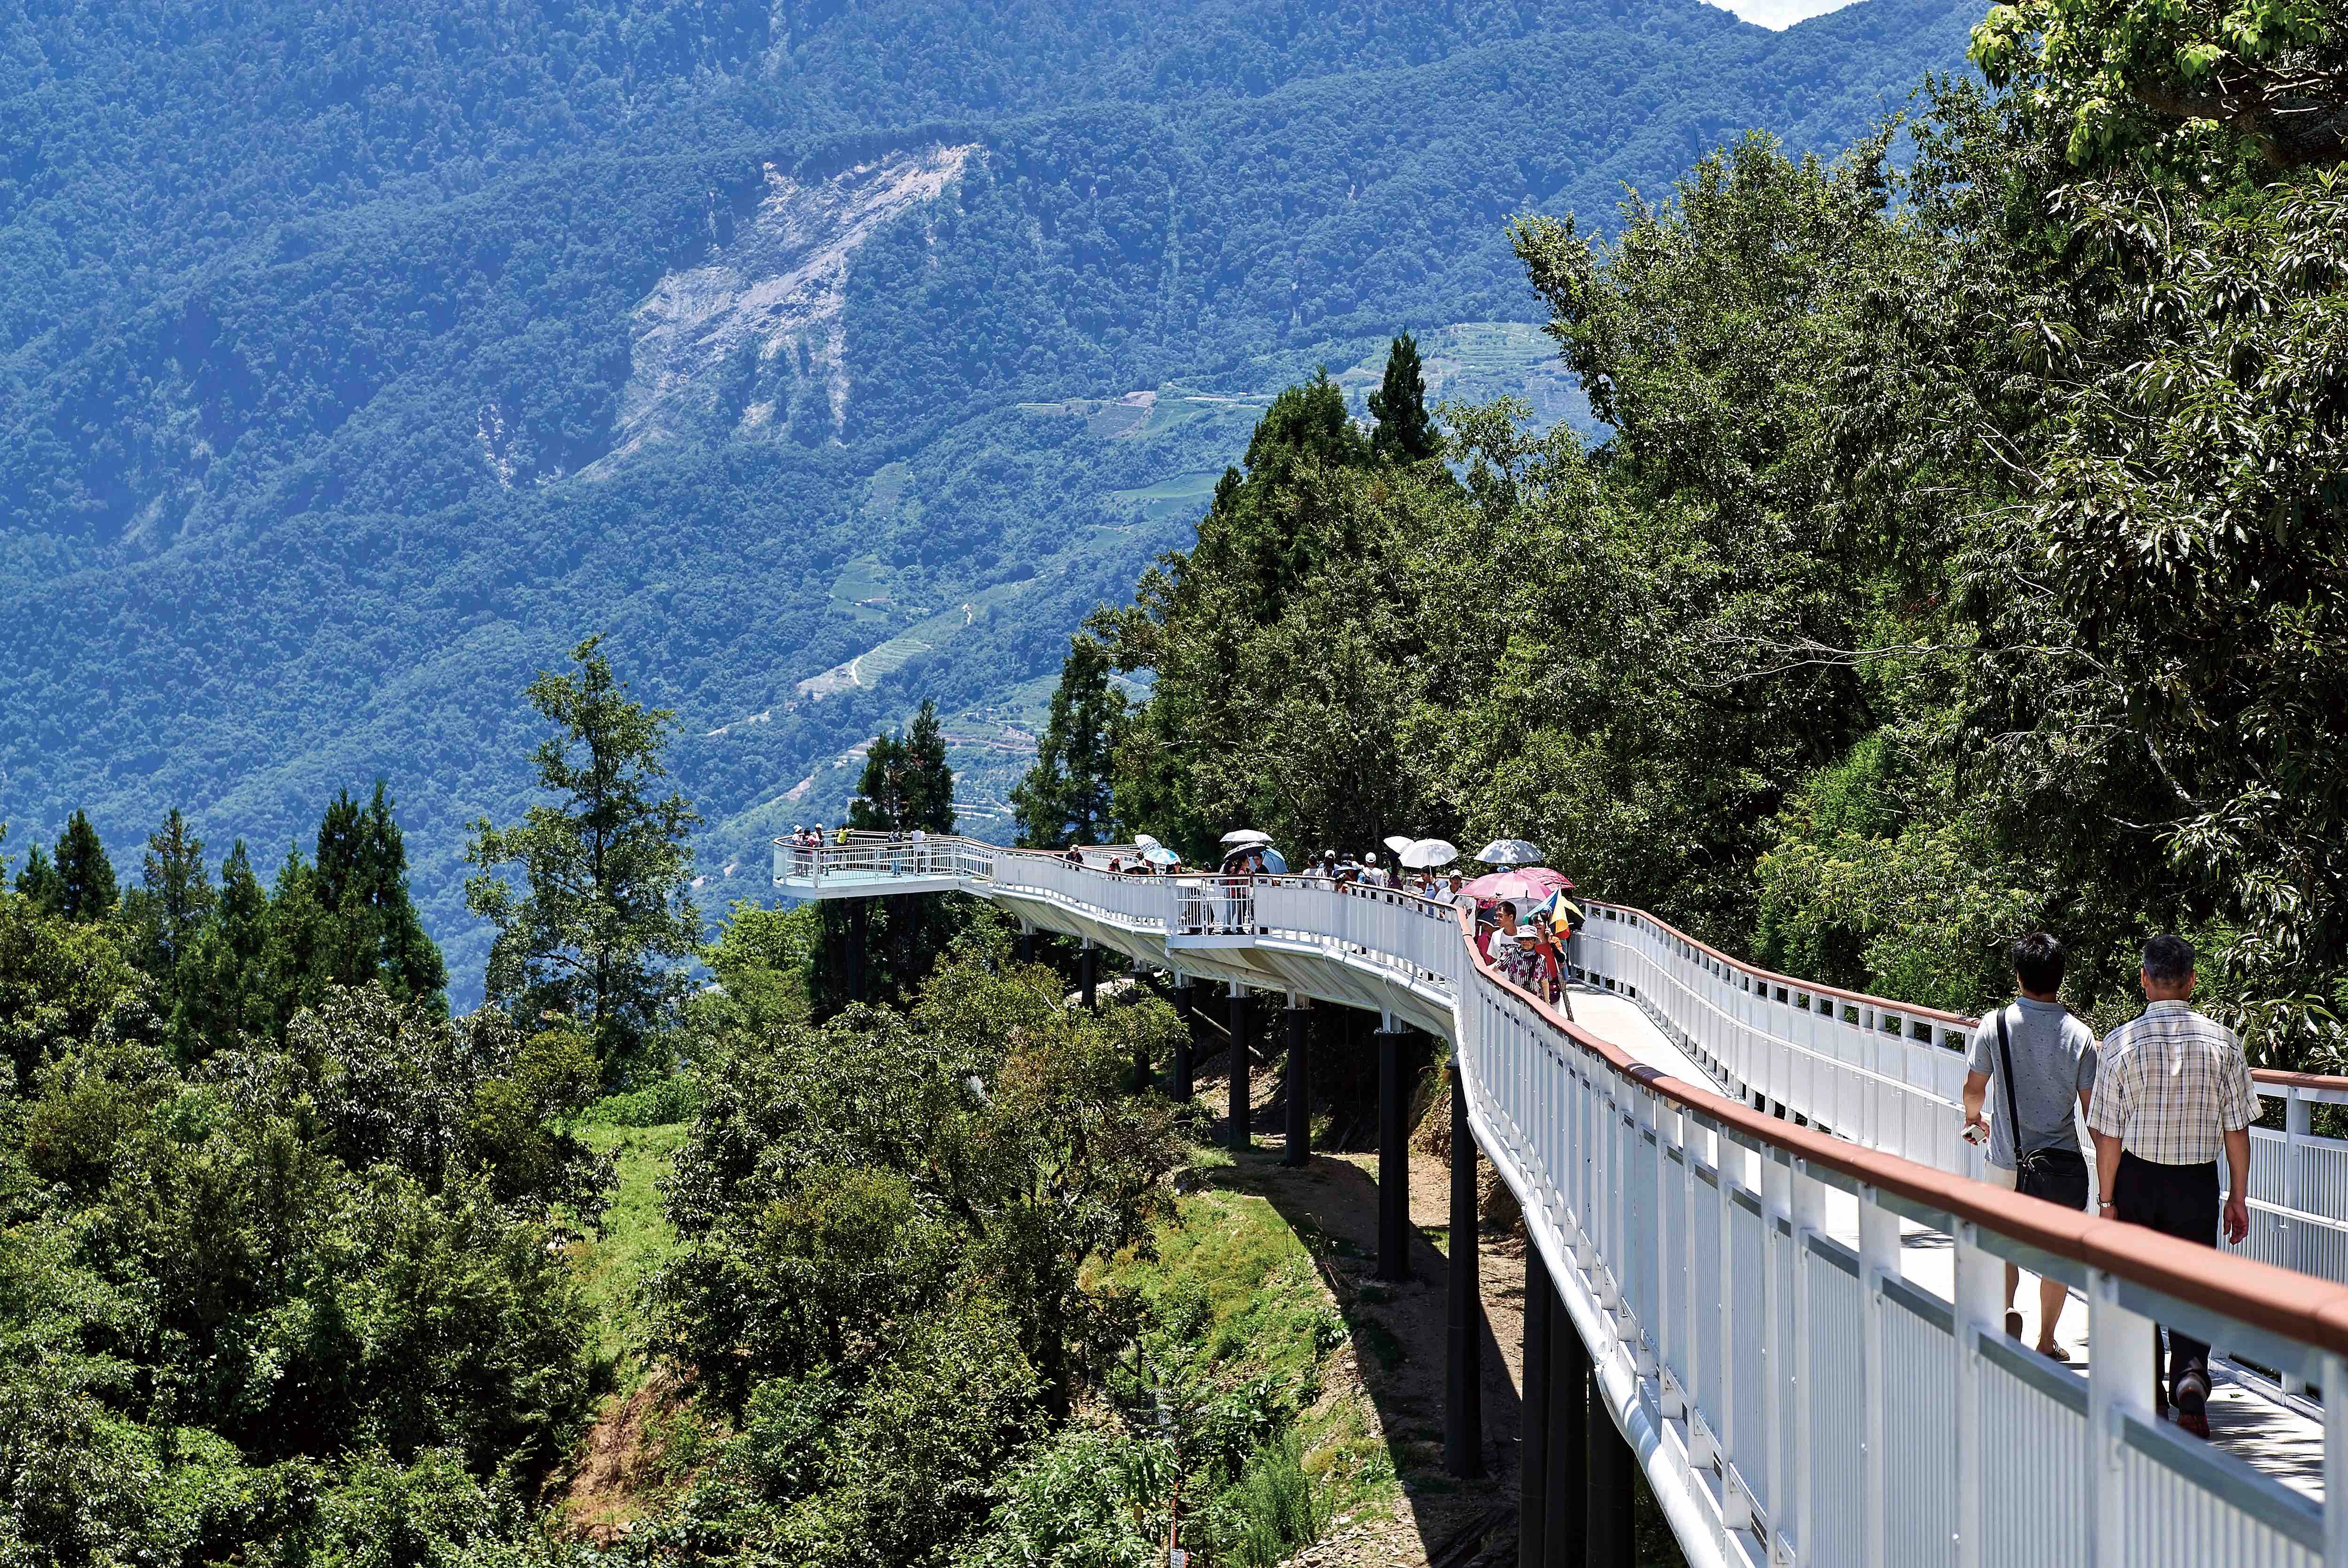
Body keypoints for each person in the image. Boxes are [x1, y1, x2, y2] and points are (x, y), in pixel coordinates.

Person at [2087, 933, 2255, 1440]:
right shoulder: (2222, 1041)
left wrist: (2107, 1200)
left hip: (2137, 1177)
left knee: (2137, 1281)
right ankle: (2188, 1374)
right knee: (2190, 1282)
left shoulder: (2119, 1042)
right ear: (2191, 981)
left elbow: (2107, 1136)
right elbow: (2236, 1128)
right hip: (2196, 1181)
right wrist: (2237, 1195)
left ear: (2143, 979)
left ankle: (2145, 1387)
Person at [1961, 932, 2099, 1360]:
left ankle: (2005, 1308)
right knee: (2057, 1254)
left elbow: (1974, 1088)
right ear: (2060, 977)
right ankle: (2046, 1339)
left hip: (2006, 1158)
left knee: (2003, 1241)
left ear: (2019, 975)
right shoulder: (2080, 1036)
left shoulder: (1995, 1025)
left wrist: (1972, 1119)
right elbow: (2092, 1113)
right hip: (2061, 1164)